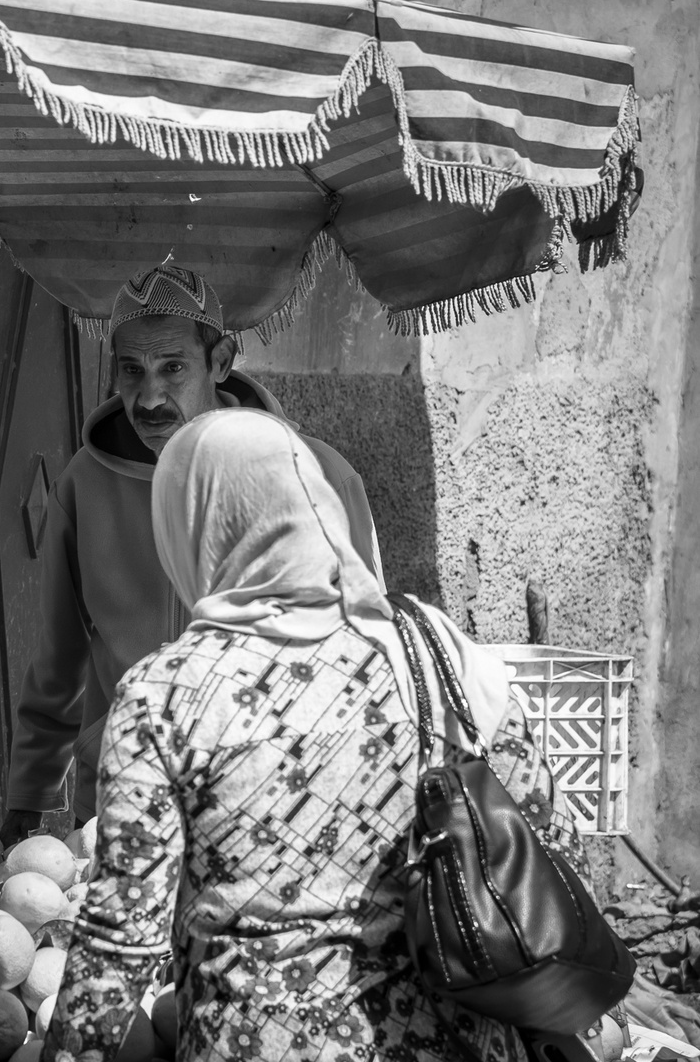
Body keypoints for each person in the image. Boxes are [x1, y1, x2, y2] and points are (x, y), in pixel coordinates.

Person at [42, 407, 589, 1062]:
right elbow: (553, 853)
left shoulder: (166, 695)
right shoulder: (444, 657)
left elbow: (118, 944)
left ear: (189, 524)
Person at [0, 261, 384, 846]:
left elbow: (367, 641)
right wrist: (30, 793)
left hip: (273, 800)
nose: (148, 396)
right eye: (131, 370)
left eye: (172, 368)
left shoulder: (317, 475)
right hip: (120, 801)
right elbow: (59, 657)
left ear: (222, 361)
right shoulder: (84, 483)